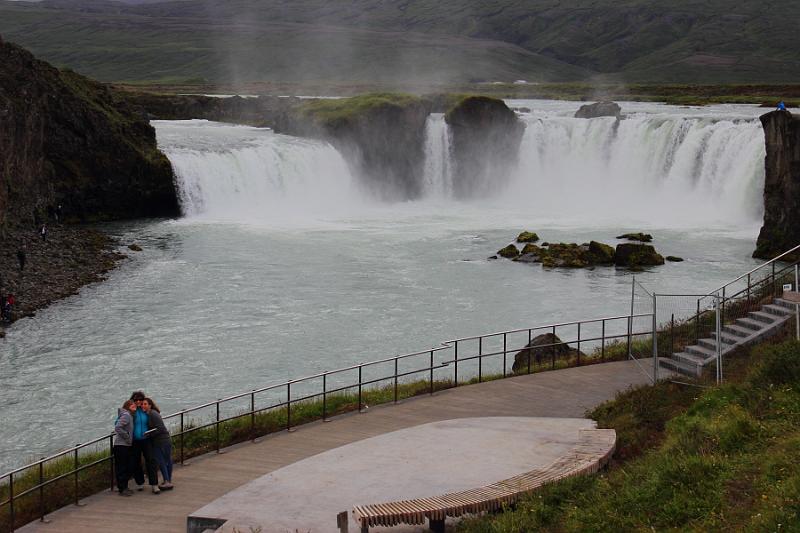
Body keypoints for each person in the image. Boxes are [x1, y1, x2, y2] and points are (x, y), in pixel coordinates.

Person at [129, 391, 160, 494]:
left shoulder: (146, 410)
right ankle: (140, 482)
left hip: (147, 439)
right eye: (136, 400)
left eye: (140, 399)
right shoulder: (130, 411)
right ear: (132, 400)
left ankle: (154, 484)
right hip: (135, 440)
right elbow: (119, 420)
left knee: (151, 461)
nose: (138, 401)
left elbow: (156, 418)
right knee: (136, 462)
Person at [143, 398, 174, 490]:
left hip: (161, 441)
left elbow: (160, 428)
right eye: (142, 404)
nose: (143, 406)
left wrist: (148, 434)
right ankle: (168, 480)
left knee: (162, 461)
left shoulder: (153, 414)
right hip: (164, 440)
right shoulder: (150, 414)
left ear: (150, 405)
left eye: (145, 404)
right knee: (167, 460)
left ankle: (167, 481)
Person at [113, 400, 137, 496]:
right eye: (132, 405)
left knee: (126, 466)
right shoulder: (126, 415)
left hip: (125, 445)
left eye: (134, 405)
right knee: (122, 467)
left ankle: (124, 487)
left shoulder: (129, 415)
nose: (134, 406)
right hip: (121, 446)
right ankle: (122, 489)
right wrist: (127, 436)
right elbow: (118, 427)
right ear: (127, 406)